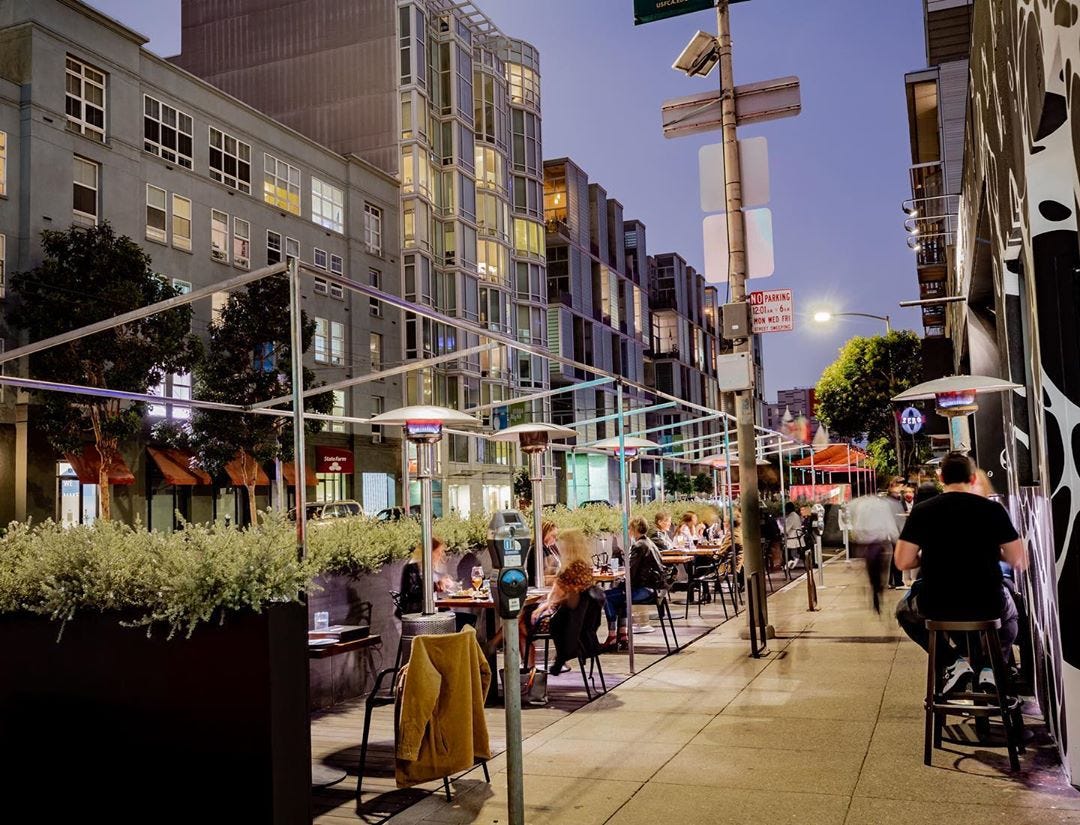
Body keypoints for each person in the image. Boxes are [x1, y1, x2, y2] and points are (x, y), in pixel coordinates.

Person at [894, 452, 1027, 694]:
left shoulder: (923, 511)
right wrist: (990, 552)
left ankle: (952, 662)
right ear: (973, 477)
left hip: (937, 604)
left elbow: (902, 562)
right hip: (987, 603)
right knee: (1011, 615)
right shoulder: (992, 510)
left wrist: (929, 555)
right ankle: (991, 667)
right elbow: (1018, 558)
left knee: (904, 612)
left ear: (941, 478)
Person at [520, 528, 594, 672]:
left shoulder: (568, 571)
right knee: (521, 620)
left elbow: (556, 598)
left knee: (519, 624)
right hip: (578, 622)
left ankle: (530, 670)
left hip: (560, 622)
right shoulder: (584, 568)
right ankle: (530, 669)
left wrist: (542, 608)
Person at [602, 516, 668, 651]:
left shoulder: (639, 546)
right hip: (654, 588)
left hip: (644, 590)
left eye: (630, 528)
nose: (628, 531)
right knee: (620, 596)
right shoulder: (649, 543)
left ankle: (613, 636)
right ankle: (623, 635)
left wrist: (620, 579)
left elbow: (631, 574)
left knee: (605, 596)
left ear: (634, 529)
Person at [399, 537, 477, 631]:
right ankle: (450, 644)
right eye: (438, 552)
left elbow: (440, 586)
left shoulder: (427, 568)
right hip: (420, 616)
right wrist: (436, 586)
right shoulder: (412, 567)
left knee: (468, 619)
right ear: (429, 552)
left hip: (432, 612)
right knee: (466, 620)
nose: (440, 556)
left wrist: (449, 584)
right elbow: (413, 591)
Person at [847, 489, 900, 613]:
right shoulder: (883, 505)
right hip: (881, 543)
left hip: (867, 544)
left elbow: (857, 526)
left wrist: (858, 538)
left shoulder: (861, 505)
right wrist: (896, 539)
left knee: (871, 570)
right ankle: (879, 588)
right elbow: (890, 524)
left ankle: (875, 588)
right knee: (883, 570)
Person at [885, 477, 908, 588]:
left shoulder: (898, 499)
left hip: (898, 530)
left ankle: (894, 581)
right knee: (896, 556)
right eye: (900, 486)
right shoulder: (891, 500)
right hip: (894, 531)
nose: (902, 488)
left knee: (895, 556)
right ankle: (896, 581)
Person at [783, 502, 803, 569]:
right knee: (794, 552)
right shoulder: (795, 515)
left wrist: (782, 532)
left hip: (793, 537)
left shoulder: (791, 517)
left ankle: (791, 562)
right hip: (797, 536)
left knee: (788, 550)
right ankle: (793, 561)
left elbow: (786, 528)